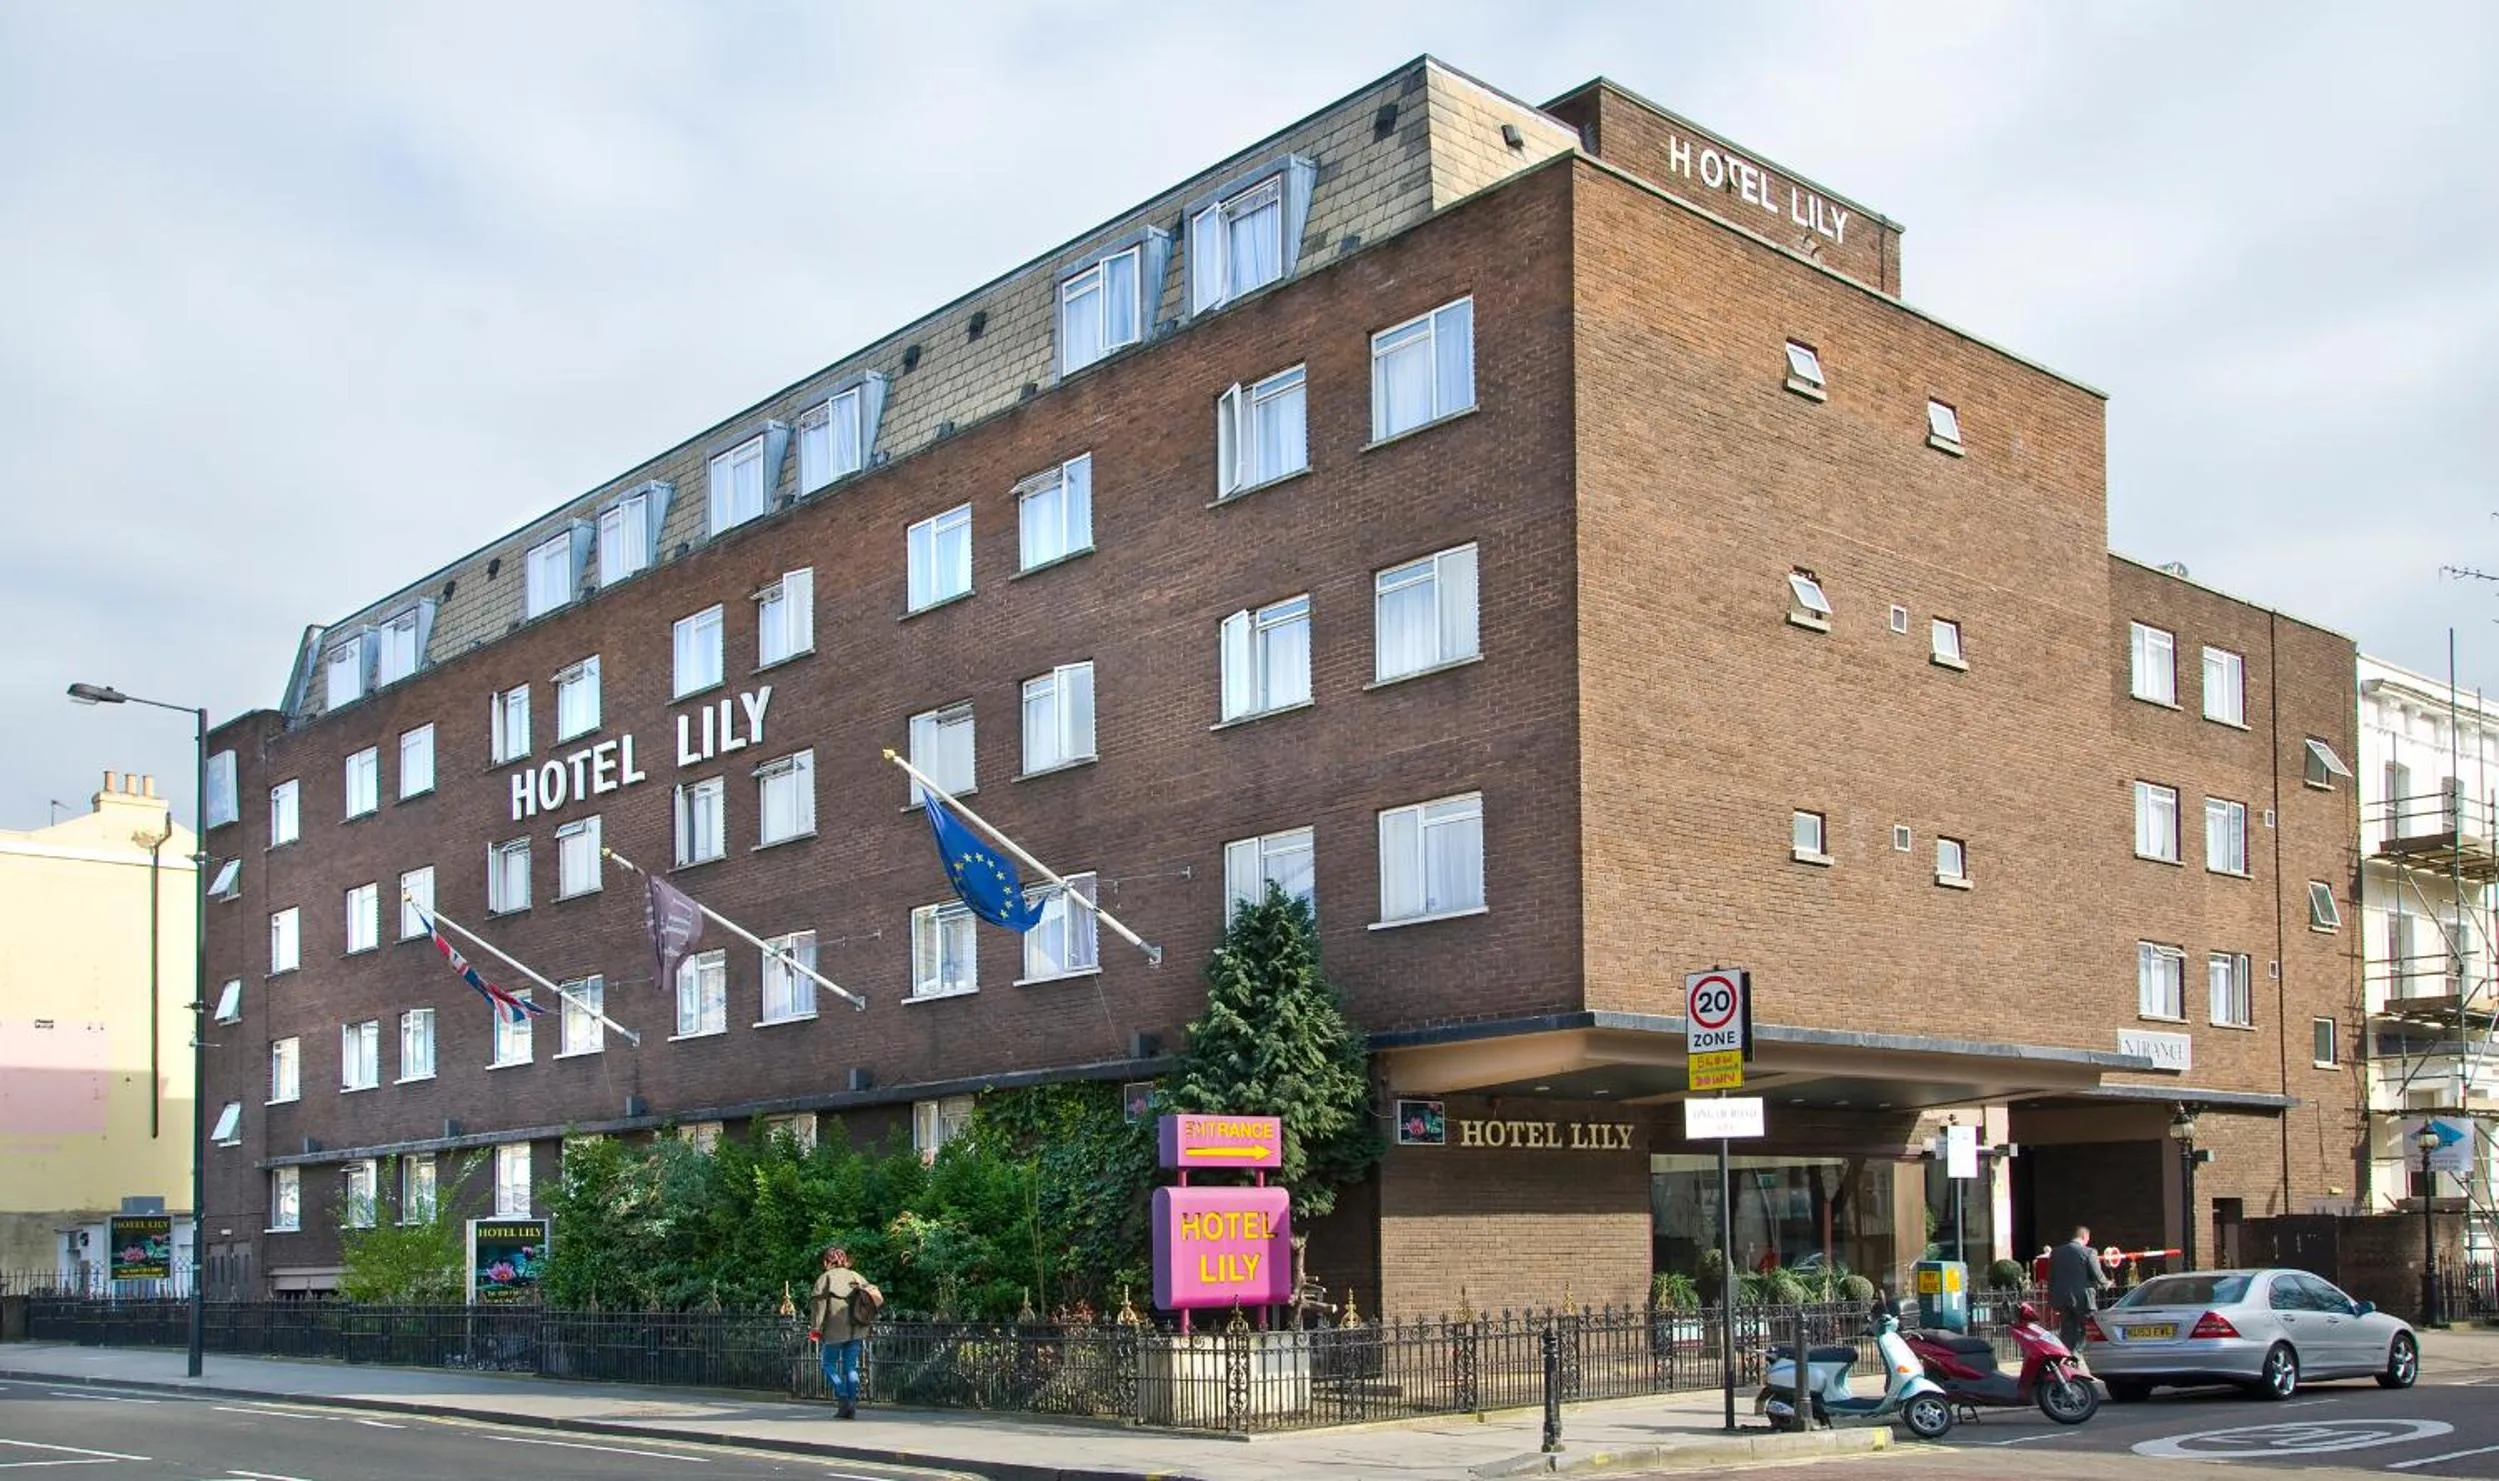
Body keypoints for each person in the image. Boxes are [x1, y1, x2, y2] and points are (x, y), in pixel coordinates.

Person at [807, 1244, 883, 1419]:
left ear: (828, 1260)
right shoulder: (857, 1277)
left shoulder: (825, 1278)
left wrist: (816, 1328)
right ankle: (852, 1405)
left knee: (827, 1364)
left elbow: (819, 1306)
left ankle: (843, 1398)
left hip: (835, 1329)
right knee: (850, 1367)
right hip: (858, 1327)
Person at [2046, 1225, 2114, 1350]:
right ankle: (2081, 1354)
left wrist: (2052, 1297)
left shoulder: (2056, 1252)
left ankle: (2067, 1356)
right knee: (2088, 1328)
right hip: (2083, 1299)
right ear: (2084, 1236)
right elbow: (2096, 1273)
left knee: (2067, 1330)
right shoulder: (2089, 1252)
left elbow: (2051, 1276)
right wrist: (2106, 1283)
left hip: (2062, 1298)